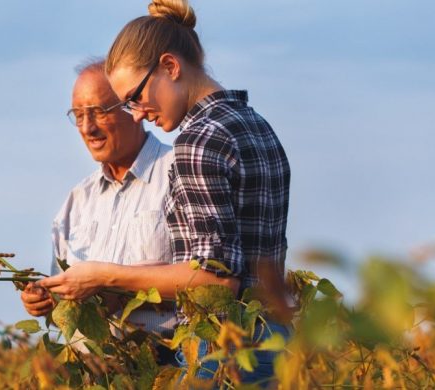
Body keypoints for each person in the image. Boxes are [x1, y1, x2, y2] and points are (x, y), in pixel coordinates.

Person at [99, 0, 292, 384]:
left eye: (134, 97)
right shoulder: (256, 124)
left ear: (170, 66)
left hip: (225, 347)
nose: (135, 114)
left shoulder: (197, 142)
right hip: (277, 339)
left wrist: (106, 277)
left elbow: (216, 281)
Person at [20, 59, 234, 363]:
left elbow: (209, 279)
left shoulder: (180, 172)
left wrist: (112, 287)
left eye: (98, 112)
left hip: (170, 366)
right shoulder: (77, 201)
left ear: (133, 106)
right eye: (78, 115)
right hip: (97, 373)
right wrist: (46, 301)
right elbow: (63, 312)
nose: (87, 127)